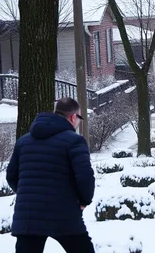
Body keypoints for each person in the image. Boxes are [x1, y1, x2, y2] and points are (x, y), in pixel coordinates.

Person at [6, 97, 96, 253]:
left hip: (28, 217)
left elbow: (11, 176)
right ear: (73, 117)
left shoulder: (24, 141)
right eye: (79, 118)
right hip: (64, 213)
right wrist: (84, 201)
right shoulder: (75, 141)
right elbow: (85, 176)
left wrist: (30, 195)